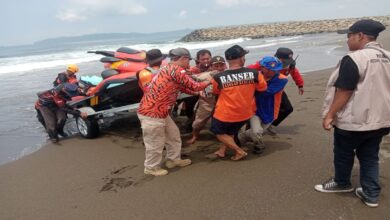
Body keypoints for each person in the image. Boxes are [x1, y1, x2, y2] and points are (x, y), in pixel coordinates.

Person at [314, 19, 390, 208]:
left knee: (343, 153)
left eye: (349, 36)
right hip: (381, 120)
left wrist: (330, 114)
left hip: (354, 121)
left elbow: (344, 91)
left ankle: (341, 182)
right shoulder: (388, 56)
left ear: (360, 36)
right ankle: (371, 194)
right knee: (370, 155)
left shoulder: (355, 58)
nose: (347, 41)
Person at [137, 47, 212, 176]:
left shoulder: (168, 68)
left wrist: (196, 92)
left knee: (173, 135)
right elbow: (194, 85)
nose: (189, 63)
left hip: (161, 111)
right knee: (155, 142)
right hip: (152, 112)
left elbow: (182, 87)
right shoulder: (177, 70)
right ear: (183, 58)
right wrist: (210, 80)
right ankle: (151, 167)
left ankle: (173, 159)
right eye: (188, 60)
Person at [210, 45, 267, 160]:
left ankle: (238, 151)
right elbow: (262, 89)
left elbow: (215, 92)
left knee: (219, 132)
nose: (244, 58)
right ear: (241, 58)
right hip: (245, 113)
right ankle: (222, 150)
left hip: (225, 113)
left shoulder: (218, 77)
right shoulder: (255, 74)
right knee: (230, 132)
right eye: (244, 56)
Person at [247, 48, 304, 134]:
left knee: (288, 108)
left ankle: (271, 125)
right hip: (260, 89)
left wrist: (300, 85)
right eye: (285, 60)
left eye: (289, 60)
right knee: (255, 109)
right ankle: (250, 131)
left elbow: (295, 73)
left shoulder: (289, 65)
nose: (287, 63)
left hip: (276, 89)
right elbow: (247, 70)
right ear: (277, 58)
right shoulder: (266, 63)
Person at [238, 56, 288, 154]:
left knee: (257, 131)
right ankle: (259, 145)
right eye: (269, 69)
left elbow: (267, 92)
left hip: (271, 110)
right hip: (254, 109)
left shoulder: (282, 79)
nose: (272, 72)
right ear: (262, 67)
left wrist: (251, 88)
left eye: (274, 69)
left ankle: (236, 139)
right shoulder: (254, 75)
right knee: (256, 131)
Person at [187, 55, 227, 144]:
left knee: (224, 122)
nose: (219, 68)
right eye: (216, 66)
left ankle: (224, 138)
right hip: (207, 103)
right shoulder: (204, 76)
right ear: (211, 67)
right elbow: (191, 79)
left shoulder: (229, 75)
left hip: (223, 103)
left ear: (225, 65)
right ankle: (194, 136)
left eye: (221, 65)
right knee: (198, 123)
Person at [179, 49, 213, 133]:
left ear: (211, 58)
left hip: (210, 92)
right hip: (196, 91)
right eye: (203, 59)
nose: (206, 61)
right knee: (189, 105)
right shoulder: (193, 70)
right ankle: (190, 123)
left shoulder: (215, 66)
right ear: (198, 60)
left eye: (208, 58)